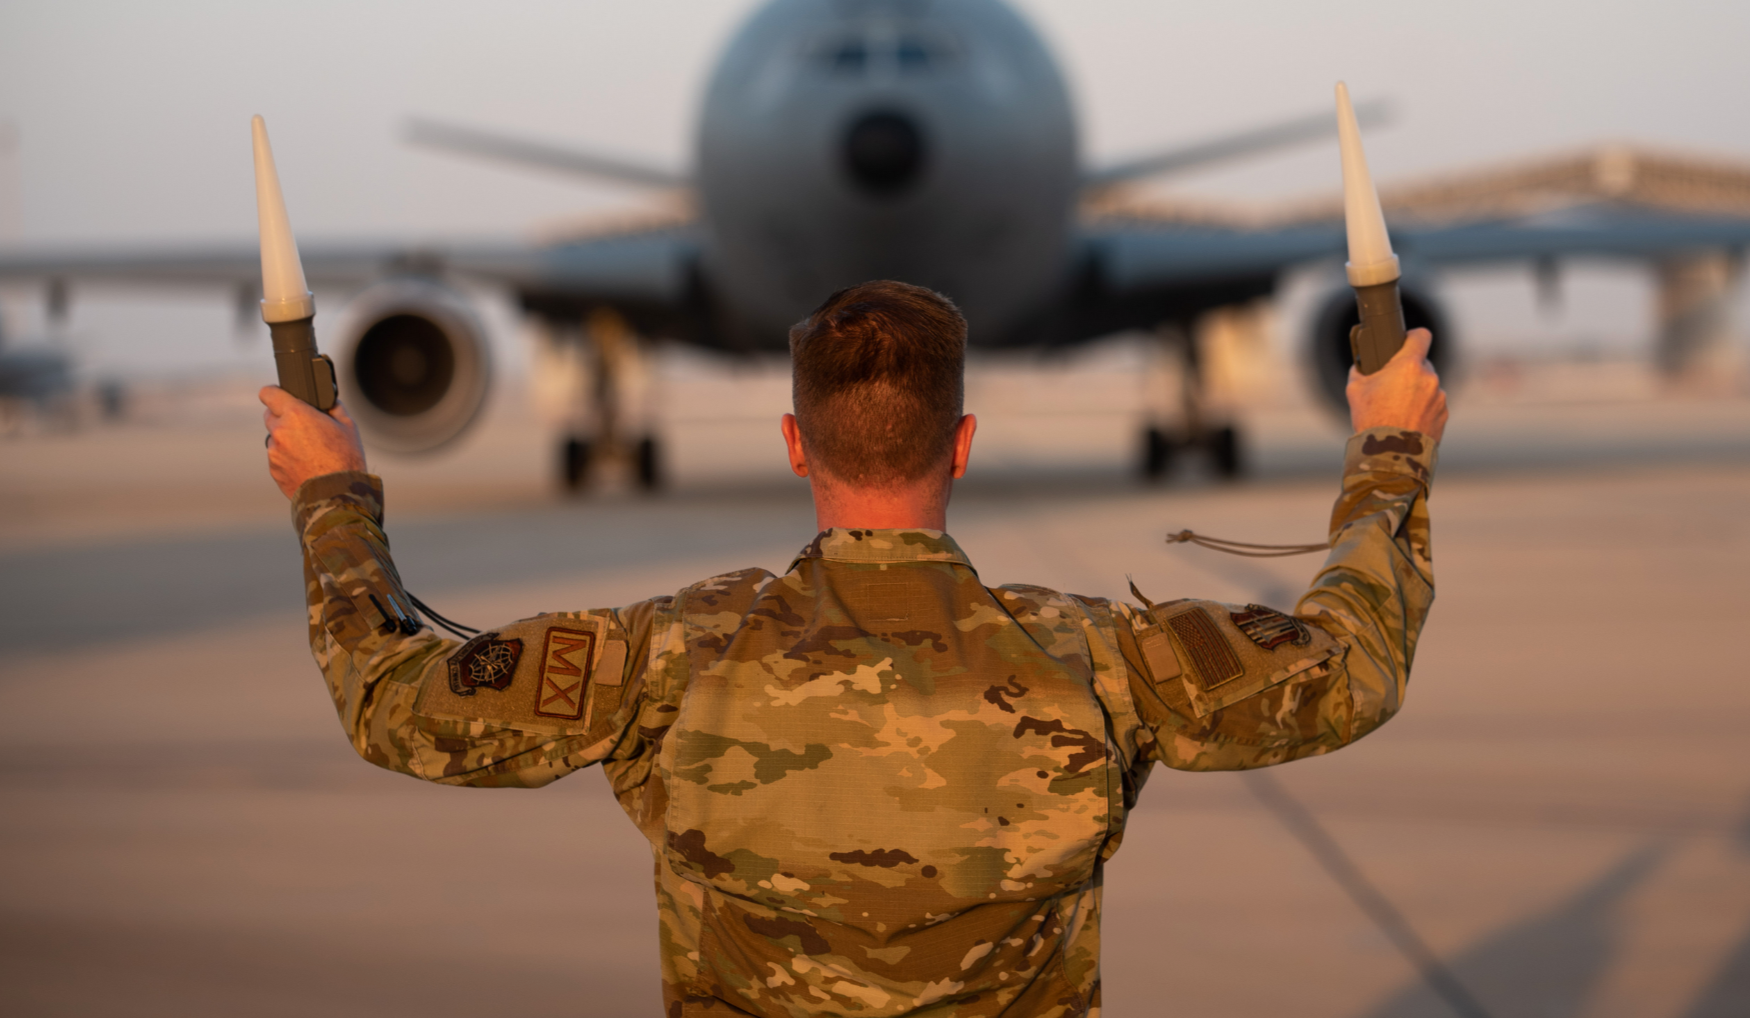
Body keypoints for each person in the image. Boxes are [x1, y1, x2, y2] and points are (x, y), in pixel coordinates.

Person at [263, 279, 1447, 1018]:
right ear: (963, 440)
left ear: (793, 438)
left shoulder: (671, 659)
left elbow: (396, 698)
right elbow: (1349, 664)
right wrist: (1388, 449)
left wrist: (333, 496)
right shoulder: (1095, 659)